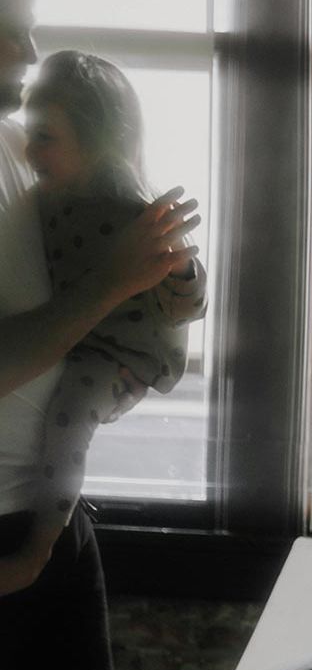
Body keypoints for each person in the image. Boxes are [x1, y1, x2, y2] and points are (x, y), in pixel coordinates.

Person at [0, 0, 200, 670]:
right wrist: (112, 284)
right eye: (8, 22)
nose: (29, 45)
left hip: (51, 518)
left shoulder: (26, 150)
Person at [24, 49, 208, 530]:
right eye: (30, 136)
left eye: (44, 138)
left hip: (122, 356)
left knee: (69, 415)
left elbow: (189, 305)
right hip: (79, 334)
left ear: (96, 142)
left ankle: (42, 544)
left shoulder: (133, 211)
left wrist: (181, 270)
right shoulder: (43, 201)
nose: (29, 152)